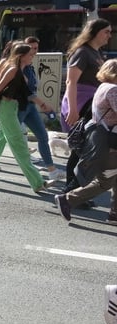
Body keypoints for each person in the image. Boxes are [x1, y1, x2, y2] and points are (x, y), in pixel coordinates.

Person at [0, 43, 51, 193]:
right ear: (21, 56)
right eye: (30, 55)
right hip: (6, 110)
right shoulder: (13, 69)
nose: (33, 56)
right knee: (19, 145)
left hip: (11, 109)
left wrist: (42, 103)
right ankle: (38, 182)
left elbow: (27, 93)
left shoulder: (21, 70)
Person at [54, 59, 117, 224]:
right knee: (104, 182)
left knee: (109, 179)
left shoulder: (102, 87)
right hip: (107, 142)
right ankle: (67, 200)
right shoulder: (112, 90)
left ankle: (114, 214)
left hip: (104, 141)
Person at [61, 18, 110, 190]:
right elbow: (71, 81)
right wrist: (73, 109)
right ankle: (70, 191)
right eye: (106, 31)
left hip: (93, 104)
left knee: (85, 149)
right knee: (81, 148)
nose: (109, 36)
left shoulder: (96, 53)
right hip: (82, 103)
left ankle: (76, 191)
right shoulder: (83, 52)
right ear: (94, 32)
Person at [17, 36, 63, 181]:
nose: (35, 52)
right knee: (4, 138)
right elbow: (25, 91)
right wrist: (43, 104)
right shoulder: (17, 68)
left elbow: (31, 89)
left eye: (36, 48)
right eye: (32, 49)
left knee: (42, 136)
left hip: (30, 106)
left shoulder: (29, 66)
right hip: (19, 107)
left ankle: (52, 170)